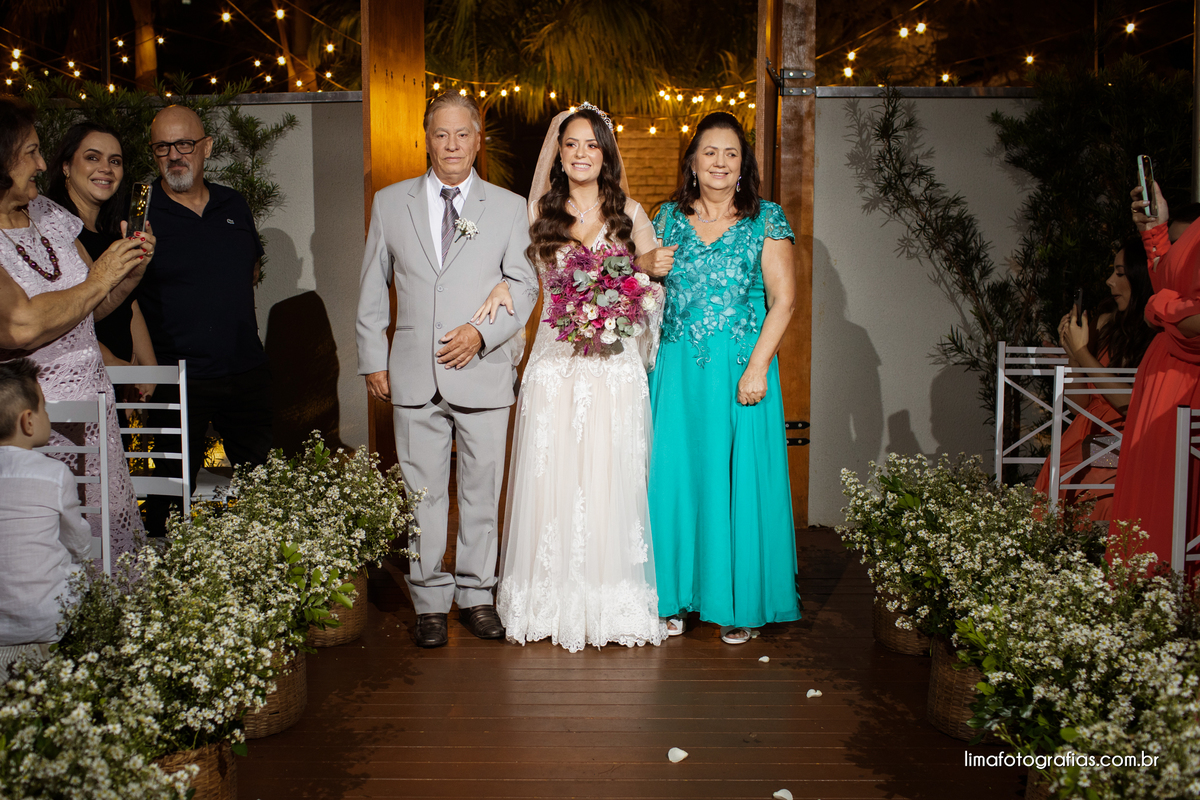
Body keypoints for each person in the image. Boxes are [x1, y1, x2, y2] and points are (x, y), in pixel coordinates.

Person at [356, 93, 537, 648]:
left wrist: (481, 334)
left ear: (478, 140)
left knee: (482, 494)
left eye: (463, 135)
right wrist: (371, 359)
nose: (452, 145)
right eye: (441, 134)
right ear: (426, 138)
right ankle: (429, 601)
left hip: (482, 371)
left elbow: (526, 285)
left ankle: (478, 595)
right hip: (412, 374)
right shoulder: (390, 204)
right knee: (422, 497)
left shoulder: (507, 207)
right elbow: (371, 288)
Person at [487, 105, 670, 652]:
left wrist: (630, 299)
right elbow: (516, 275)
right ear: (559, 153)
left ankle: (610, 599)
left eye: (592, 144)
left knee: (610, 480)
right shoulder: (537, 211)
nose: (582, 153)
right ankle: (546, 599)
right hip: (555, 364)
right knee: (555, 477)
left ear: (606, 152)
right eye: (572, 144)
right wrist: (499, 289)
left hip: (613, 368)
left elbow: (654, 289)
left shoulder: (630, 213)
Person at [646, 111, 802, 644]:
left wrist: (759, 366)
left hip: (740, 370)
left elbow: (784, 301)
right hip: (676, 373)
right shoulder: (664, 218)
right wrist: (645, 265)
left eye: (730, 153)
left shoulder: (767, 219)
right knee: (674, 480)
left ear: (743, 165)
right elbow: (636, 293)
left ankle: (737, 602)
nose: (719, 162)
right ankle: (672, 598)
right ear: (692, 161)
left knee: (735, 482)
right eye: (709, 152)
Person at [0, 97, 152, 558]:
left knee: (103, 540)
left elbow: (93, 307)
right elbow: (19, 326)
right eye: (31, 151)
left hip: (94, 409)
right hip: (29, 420)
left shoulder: (48, 214)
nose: (42, 163)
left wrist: (129, 270)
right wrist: (101, 276)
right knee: (48, 544)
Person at [138, 105, 272, 532]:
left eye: (184, 144)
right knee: (169, 498)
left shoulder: (233, 202)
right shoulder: (143, 211)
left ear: (206, 147)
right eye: (163, 146)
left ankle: (257, 574)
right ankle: (165, 585)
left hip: (246, 373)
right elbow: (125, 297)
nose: (175, 155)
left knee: (259, 488)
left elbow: (250, 269)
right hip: (178, 380)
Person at [1111, 181, 1200, 570]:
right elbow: (1175, 284)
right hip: (1164, 378)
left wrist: (1160, 307)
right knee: (1152, 507)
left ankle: (1164, 607)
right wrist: (1155, 231)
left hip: (1183, 385)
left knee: (1171, 506)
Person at [1034, 240, 1154, 520]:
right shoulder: (1105, 323)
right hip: (1092, 431)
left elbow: (1129, 404)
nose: (1110, 281)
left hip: (1135, 438)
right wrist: (1074, 357)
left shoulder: (1158, 333)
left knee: (1082, 471)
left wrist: (1081, 352)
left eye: (1120, 273)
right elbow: (1080, 406)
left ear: (1142, 277)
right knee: (1065, 464)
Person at [46, 122, 157, 403]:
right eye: (92, 157)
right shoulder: (53, 229)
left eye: (115, 161)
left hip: (119, 382)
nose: (106, 168)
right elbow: (63, 317)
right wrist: (110, 361)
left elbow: (128, 301)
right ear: (66, 166)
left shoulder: (112, 233)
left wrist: (149, 368)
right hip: (77, 385)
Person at [0, 358, 91, 682]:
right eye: (45, 409)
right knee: (78, 568)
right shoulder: (53, 474)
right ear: (28, 422)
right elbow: (77, 539)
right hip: (44, 621)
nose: (48, 416)